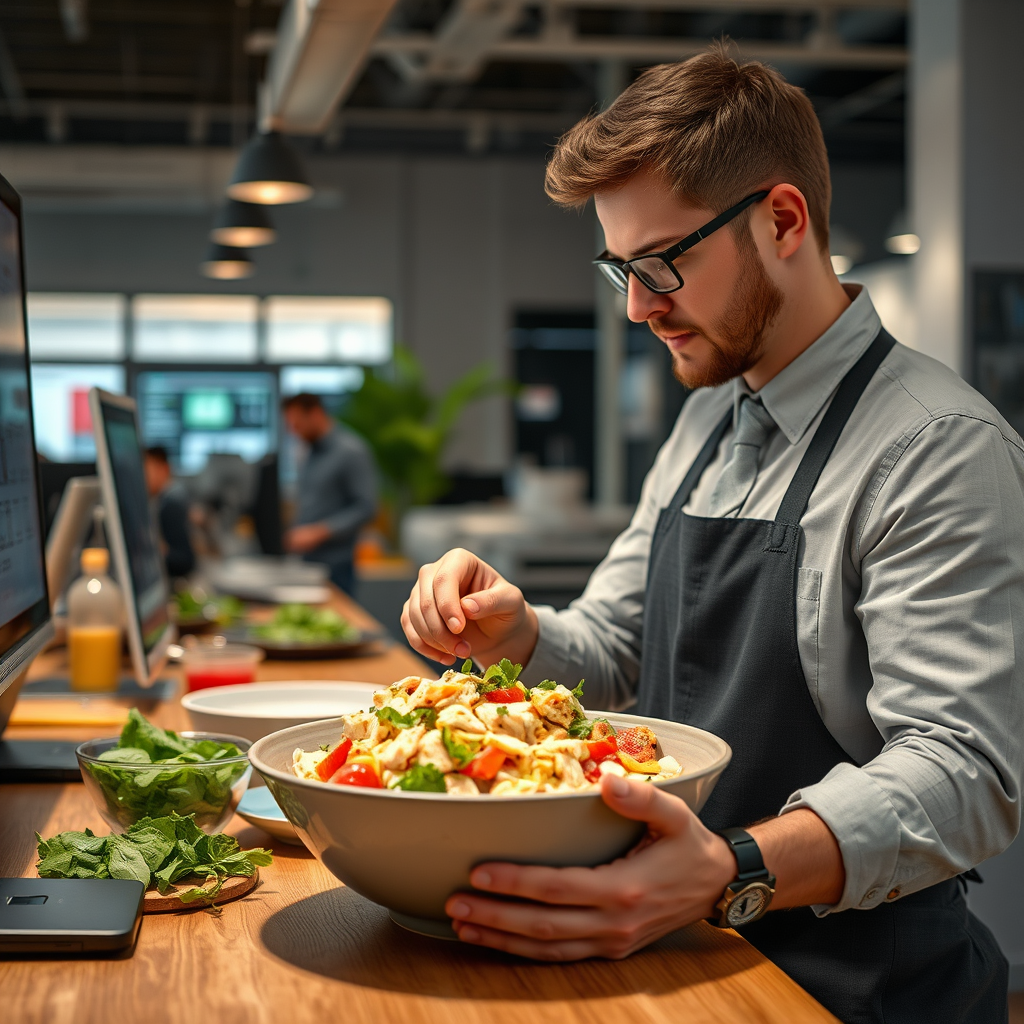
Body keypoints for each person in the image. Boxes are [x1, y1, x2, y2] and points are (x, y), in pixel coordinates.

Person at [401, 48, 1022, 1024]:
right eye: (621, 267)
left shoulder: (936, 447)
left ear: (783, 221)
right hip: (680, 955)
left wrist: (730, 870)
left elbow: (967, 770)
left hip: (857, 982)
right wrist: (515, 633)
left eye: (662, 262)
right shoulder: (706, 420)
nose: (637, 306)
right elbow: (619, 646)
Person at [281, 392, 377, 595]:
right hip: (307, 562)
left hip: (336, 566)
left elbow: (366, 508)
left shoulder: (351, 451)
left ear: (315, 414)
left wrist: (318, 532)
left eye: (297, 424)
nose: (294, 432)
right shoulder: (310, 452)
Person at [143, 446, 195, 579]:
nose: (142, 478)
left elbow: (184, 559)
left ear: (164, 469)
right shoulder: (175, 495)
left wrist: (153, 551)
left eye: (146, 471)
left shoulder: (170, 503)